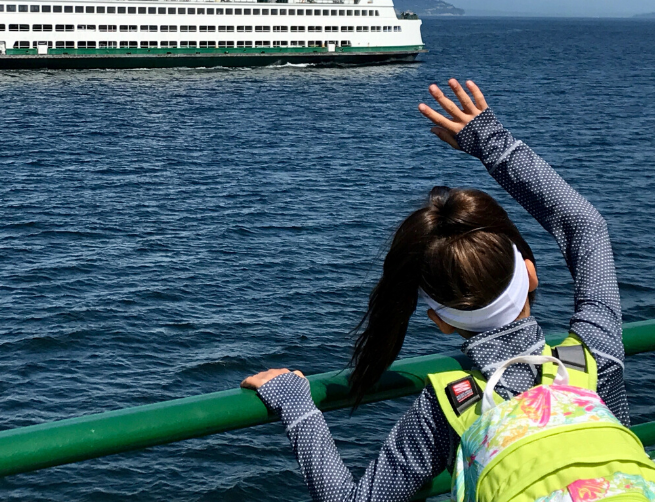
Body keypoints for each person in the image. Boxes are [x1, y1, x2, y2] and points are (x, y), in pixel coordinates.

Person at [242, 77, 633, 502]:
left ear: (440, 321)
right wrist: (491, 141)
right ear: (531, 275)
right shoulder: (594, 355)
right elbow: (586, 228)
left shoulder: (450, 405)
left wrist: (296, 405)